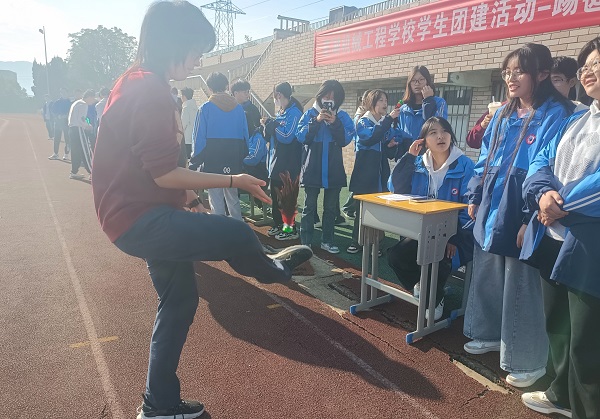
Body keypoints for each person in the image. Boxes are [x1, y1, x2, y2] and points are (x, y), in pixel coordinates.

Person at [91, 2, 312, 418]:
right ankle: (275, 269)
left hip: (135, 214)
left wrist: (191, 199)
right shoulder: (148, 88)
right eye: (196, 50)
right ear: (173, 42)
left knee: (179, 301)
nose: (198, 61)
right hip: (138, 217)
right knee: (237, 233)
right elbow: (162, 173)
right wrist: (234, 180)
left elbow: (153, 166)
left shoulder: (141, 82)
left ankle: (159, 404)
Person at [464, 43, 574, 388]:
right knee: (487, 267)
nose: (511, 78)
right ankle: (486, 332)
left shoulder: (557, 113)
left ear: (541, 74)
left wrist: (529, 217)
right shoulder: (502, 114)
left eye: (519, 71)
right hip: (493, 201)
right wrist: (475, 194)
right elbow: (485, 156)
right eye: (507, 72)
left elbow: (549, 166)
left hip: (525, 203)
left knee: (522, 281)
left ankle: (527, 358)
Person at [519, 37, 600, 419]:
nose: (588, 71)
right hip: (552, 235)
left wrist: (558, 205)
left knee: (587, 344)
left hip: (588, 245)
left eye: (597, 64)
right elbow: (540, 161)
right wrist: (542, 195)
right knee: (559, 327)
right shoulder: (577, 118)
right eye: (586, 65)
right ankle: (560, 395)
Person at [387, 117, 474, 320]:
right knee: (395, 257)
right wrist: (409, 157)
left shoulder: (465, 165)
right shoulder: (417, 163)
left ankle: (432, 296)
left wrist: (453, 237)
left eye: (444, 131)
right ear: (424, 140)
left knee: (438, 255)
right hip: (421, 232)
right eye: (433, 133)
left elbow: (470, 207)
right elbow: (396, 188)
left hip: (455, 236)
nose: (440, 136)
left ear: (451, 135)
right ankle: (433, 293)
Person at [296, 80, 356, 254]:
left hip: (333, 169)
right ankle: (306, 242)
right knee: (309, 207)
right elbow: (301, 137)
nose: (329, 99)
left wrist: (334, 122)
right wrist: (316, 121)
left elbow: (345, 140)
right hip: (312, 167)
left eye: (333, 97)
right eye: (326, 95)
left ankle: (327, 241)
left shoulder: (342, 116)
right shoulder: (309, 114)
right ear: (320, 95)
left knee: (330, 209)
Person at [347, 89, 400, 254]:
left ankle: (376, 243)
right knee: (361, 210)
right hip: (364, 174)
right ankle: (357, 241)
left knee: (378, 210)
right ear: (372, 103)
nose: (385, 104)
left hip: (380, 174)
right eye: (381, 100)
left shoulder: (383, 123)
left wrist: (390, 146)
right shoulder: (363, 122)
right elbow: (369, 138)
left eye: (386, 100)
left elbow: (387, 152)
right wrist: (389, 119)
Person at [191, 72, 249, 220]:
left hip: (213, 159)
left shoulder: (205, 108)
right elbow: (245, 136)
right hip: (234, 157)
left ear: (209, 88)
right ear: (226, 86)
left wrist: (194, 162)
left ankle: (219, 229)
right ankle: (238, 227)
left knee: (216, 199)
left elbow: (198, 139)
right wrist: (242, 155)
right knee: (233, 197)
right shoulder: (239, 109)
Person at [263, 82, 303, 240]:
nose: (274, 99)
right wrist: (268, 126)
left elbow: (287, 136)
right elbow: (273, 136)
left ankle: (290, 230)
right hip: (276, 163)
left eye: (274, 96)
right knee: (277, 198)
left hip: (289, 165)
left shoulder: (295, 113)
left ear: (278, 95)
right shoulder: (281, 113)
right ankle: (279, 225)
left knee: (287, 198)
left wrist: (273, 126)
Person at [396, 65, 448, 146]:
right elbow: (399, 132)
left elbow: (437, 127)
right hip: (408, 151)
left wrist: (428, 101)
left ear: (428, 81)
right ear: (409, 83)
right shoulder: (403, 108)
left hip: (428, 149)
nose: (417, 83)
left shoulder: (439, 103)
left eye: (421, 79)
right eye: (413, 80)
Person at [231, 79, 268, 183]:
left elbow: (257, 131)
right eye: (245, 92)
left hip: (250, 159)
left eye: (248, 92)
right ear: (235, 93)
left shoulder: (252, 109)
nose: (248, 95)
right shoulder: (229, 108)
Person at [68, 89, 96, 180]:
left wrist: (87, 123)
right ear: (90, 97)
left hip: (72, 129)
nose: (93, 101)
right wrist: (88, 126)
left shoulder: (76, 103)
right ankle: (92, 173)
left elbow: (82, 118)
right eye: (93, 99)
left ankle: (74, 172)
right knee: (85, 151)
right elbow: (81, 119)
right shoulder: (83, 104)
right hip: (78, 129)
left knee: (76, 151)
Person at [49, 87, 72, 161]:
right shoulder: (57, 102)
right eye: (61, 92)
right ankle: (55, 153)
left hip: (67, 123)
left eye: (64, 92)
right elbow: (53, 111)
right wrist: (57, 116)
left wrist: (67, 116)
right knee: (56, 139)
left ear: (67, 92)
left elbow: (72, 113)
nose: (62, 93)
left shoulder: (70, 102)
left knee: (67, 139)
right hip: (58, 123)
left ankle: (66, 154)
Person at [180, 87, 197, 159]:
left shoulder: (186, 108)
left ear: (184, 96)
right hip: (194, 136)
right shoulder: (196, 107)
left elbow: (183, 124)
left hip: (186, 138)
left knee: (186, 158)